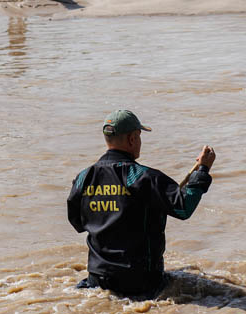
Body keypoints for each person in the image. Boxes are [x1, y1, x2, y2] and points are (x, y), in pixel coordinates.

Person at [67, 109, 216, 299]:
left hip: (98, 278)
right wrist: (202, 170)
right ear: (131, 139)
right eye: (139, 136)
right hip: (141, 283)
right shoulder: (144, 177)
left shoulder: (83, 178)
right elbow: (183, 207)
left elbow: (77, 223)